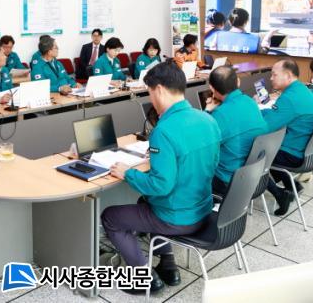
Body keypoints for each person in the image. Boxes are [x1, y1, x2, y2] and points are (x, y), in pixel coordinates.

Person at [101, 62, 220, 295]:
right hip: (203, 209)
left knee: (111, 217)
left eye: (149, 92)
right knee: (145, 203)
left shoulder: (163, 131)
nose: (151, 99)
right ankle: (168, 266)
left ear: (159, 90)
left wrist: (127, 173)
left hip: (178, 216)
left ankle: (143, 277)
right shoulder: (207, 119)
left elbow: (160, 186)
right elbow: (209, 162)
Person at [261, 60, 313, 216]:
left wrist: (254, 113)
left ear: (288, 75)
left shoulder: (289, 98)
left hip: (293, 153)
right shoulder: (301, 90)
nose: (271, 78)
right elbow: (276, 116)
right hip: (307, 150)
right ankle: (292, 185)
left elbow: (266, 127)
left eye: (274, 75)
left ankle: (280, 194)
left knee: (252, 156)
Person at [204, 66, 267, 198]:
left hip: (228, 181)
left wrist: (207, 111)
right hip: (255, 175)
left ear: (212, 89)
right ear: (238, 82)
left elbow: (202, 144)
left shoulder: (220, 114)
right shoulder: (250, 102)